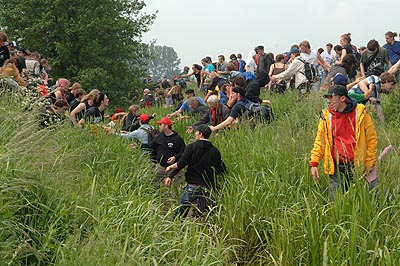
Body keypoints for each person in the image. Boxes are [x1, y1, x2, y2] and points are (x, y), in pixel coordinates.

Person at [310, 85, 378, 201]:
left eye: (331, 97)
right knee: (335, 201)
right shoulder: (326, 117)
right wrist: (314, 163)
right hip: (337, 166)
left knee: (374, 196)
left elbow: (371, 140)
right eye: (327, 98)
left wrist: (370, 162)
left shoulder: (361, 114)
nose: (329, 101)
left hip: (358, 166)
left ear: (342, 98)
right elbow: (320, 142)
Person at [165, 124, 227, 218]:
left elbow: (181, 163)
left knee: (179, 214)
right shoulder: (215, 151)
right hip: (207, 188)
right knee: (205, 216)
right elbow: (220, 169)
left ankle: (176, 230)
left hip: (192, 186)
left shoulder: (192, 147)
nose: (195, 134)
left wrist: (170, 171)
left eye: (196, 132)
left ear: (200, 134)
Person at [148, 117, 186, 185]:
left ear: (166, 126)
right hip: (161, 166)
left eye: (160, 124)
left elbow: (183, 152)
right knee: (154, 184)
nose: (159, 126)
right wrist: (138, 145)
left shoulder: (177, 139)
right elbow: (150, 146)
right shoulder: (159, 137)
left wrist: (175, 157)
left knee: (177, 186)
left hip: (174, 168)